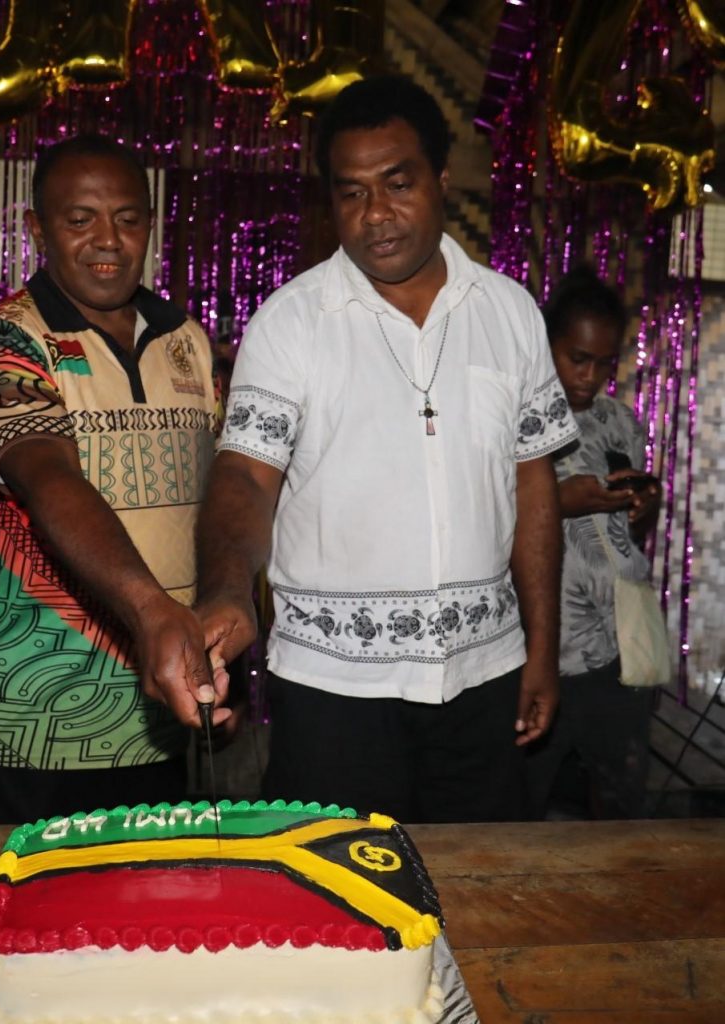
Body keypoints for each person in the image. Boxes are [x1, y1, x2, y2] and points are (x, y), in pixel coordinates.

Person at [193, 75, 579, 823]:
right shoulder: (292, 321)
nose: (375, 215)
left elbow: (531, 487)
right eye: (351, 193)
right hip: (333, 693)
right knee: (335, 915)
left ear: (440, 180)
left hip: (483, 676)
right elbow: (244, 473)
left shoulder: (509, 313)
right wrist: (225, 588)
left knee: (481, 900)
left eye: (397, 184)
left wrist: (540, 649)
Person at [0, 136, 225, 824]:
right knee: (16, 920)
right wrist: (152, 610)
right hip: (30, 720)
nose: (108, 241)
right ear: (38, 230)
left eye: (128, 219)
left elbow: (216, 500)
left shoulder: (185, 337)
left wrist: (214, 640)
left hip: (157, 710)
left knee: (144, 921)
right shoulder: (5, 335)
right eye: (80, 221)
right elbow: (46, 476)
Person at [526, 266, 661, 819]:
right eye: (576, 358)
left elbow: (627, 532)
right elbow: (482, 515)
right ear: (546, 344)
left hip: (618, 649)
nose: (589, 376)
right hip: (543, 652)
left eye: (604, 363)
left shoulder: (620, 421)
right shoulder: (518, 417)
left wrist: (640, 508)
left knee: (620, 808)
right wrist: (560, 501)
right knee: (526, 804)